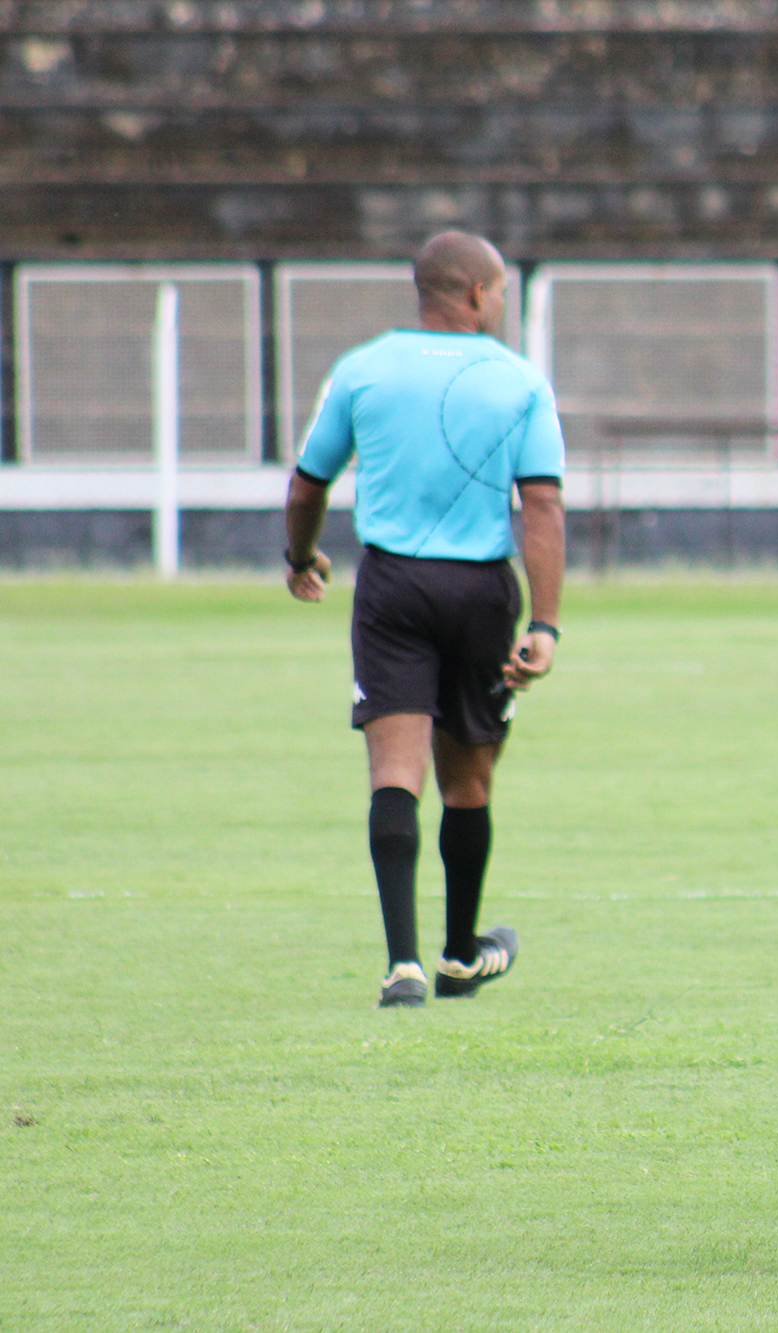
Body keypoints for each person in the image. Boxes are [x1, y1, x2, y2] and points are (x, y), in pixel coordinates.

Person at [283, 230, 564, 1009]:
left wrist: (301, 556)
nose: (500, 303)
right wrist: (544, 623)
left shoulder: (362, 369)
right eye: (500, 290)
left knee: (394, 772)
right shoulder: (518, 381)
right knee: (468, 778)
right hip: (481, 591)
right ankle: (457, 956)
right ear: (477, 293)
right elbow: (540, 505)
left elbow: (309, 484)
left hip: (392, 586)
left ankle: (401, 963)